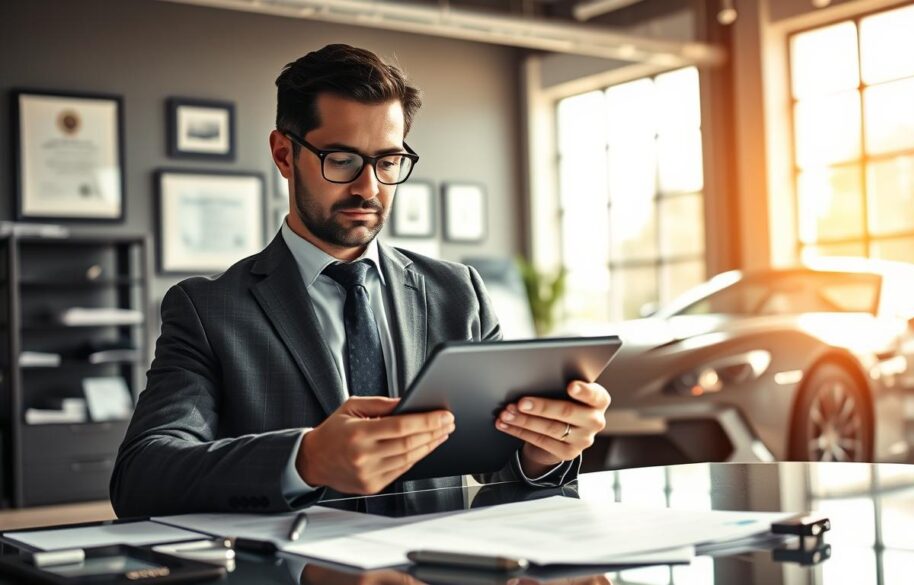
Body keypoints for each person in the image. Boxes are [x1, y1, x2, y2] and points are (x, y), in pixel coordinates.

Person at [110, 43, 612, 517]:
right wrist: (303, 459)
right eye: (342, 160)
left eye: (388, 161)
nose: (368, 187)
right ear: (284, 154)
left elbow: (504, 467)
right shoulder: (207, 309)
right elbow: (141, 476)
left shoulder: (460, 294)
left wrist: (544, 450)